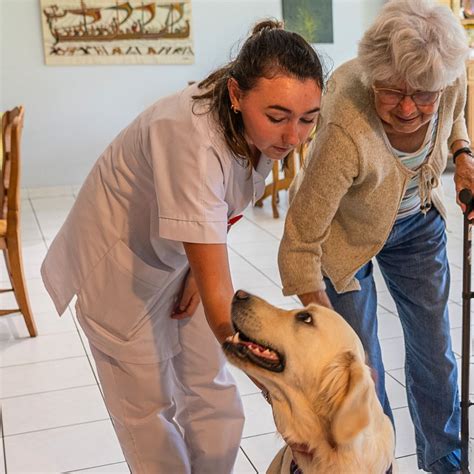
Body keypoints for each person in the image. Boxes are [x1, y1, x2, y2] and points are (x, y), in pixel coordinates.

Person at [40, 20, 324, 474]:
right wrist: (283, 391)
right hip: (118, 267)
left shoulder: (260, 133)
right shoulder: (191, 136)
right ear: (235, 94)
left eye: (308, 119)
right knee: (150, 414)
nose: (293, 137)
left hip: (179, 256)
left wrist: (195, 269)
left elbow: (220, 205)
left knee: (216, 401)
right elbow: (220, 303)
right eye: (278, 117)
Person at [278, 0, 474, 472]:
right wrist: (324, 325)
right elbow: (301, 239)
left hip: (417, 221)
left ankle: (446, 461)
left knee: (436, 354)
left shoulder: (448, 81)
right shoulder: (347, 125)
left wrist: (462, 152)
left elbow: (455, 113)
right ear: (372, 79)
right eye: (391, 91)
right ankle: (374, 466)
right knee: (362, 367)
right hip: (344, 239)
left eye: (422, 94)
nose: (407, 108)